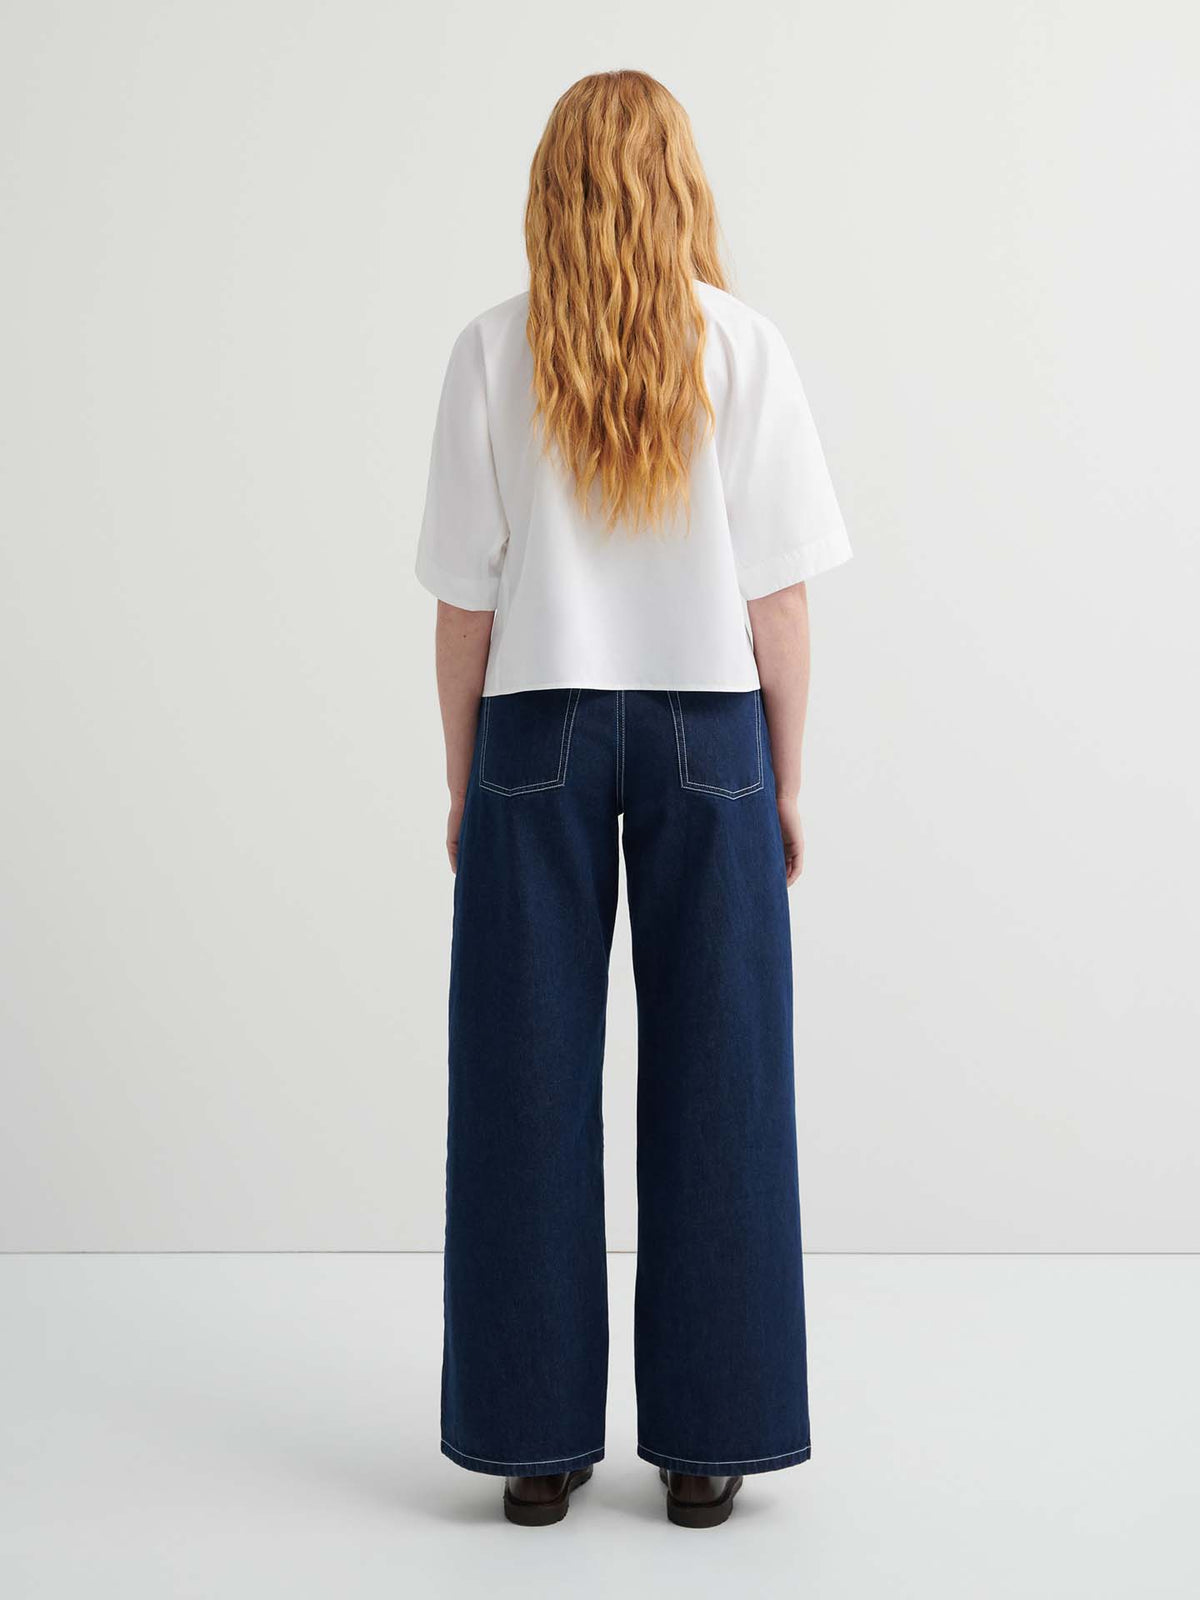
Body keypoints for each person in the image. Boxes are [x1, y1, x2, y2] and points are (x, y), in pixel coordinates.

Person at [416, 69, 851, 1529]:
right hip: (706, 728)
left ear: (554, 184)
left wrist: (465, 778)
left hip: (534, 721)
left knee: (520, 1077)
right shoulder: (743, 346)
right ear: (681, 183)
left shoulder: (492, 350)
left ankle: (534, 1448)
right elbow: (775, 598)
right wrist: (785, 780)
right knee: (724, 1079)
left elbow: (463, 607)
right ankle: (709, 1446)